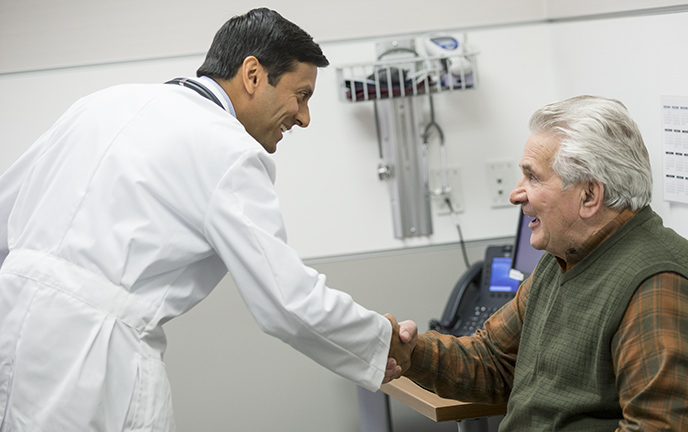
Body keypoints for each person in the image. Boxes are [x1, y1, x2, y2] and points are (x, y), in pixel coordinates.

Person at [0, 8, 410, 431]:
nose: (304, 118)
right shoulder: (227, 149)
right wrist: (380, 342)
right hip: (95, 360)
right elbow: (287, 300)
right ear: (253, 75)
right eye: (301, 95)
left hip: (12, 330)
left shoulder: (99, 104)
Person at [396, 96, 688, 431]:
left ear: (589, 195)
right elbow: (493, 361)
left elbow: (655, 426)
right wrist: (407, 351)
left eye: (533, 177)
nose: (516, 194)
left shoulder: (657, 285)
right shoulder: (562, 260)